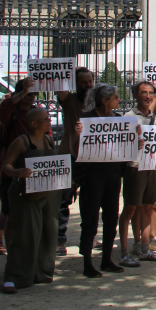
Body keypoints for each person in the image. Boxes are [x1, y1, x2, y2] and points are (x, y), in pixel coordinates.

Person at [0, 107, 61, 294]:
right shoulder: (21, 142)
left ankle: (42, 271)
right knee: (25, 234)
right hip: (25, 194)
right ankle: (14, 276)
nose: (49, 120)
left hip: (48, 193)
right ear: (33, 123)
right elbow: (6, 165)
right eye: (45, 119)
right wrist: (18, 172)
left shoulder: (49, 140)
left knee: (48, 233)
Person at [74, 84, 128, 277]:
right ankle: (87, 262)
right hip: (92, 176)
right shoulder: (87, 119)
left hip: (113, 175)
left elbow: (125, 146)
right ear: (105, 100)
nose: (118, 100)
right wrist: (79, 134)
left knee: (111, 217)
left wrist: (135, 139)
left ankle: (107, 259)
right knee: (90, 219)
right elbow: (77, 147)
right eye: (115, 97)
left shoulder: (120, 120)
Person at [119, 80, 156, 266]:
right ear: (135, 95)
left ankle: (145, 248)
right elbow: (120, 147)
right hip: (135, 168)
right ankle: (124, 252)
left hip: (152, 167)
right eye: (143, 93)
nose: (147, 96)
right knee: (130, 209)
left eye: (150, 93)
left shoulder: (155, 118)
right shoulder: (128, 117)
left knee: (149, 207)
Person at [0, 78, 39, 255]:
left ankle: (29, 253)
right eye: (27, 94)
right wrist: (22, 93)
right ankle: (12, 254)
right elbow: (1, 110)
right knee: (10, 213)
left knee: (33, 213)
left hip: (34, 171)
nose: (31, 97)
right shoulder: (10, 113)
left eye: (34, 94)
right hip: (11, 172)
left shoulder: (37, 113)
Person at [54, 67, 95, 256]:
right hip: (69, 156)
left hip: (90, 158)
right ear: (75, 84)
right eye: (83, 82)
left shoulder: (97, 103)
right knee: (63, 200)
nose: (88, 86)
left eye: (90, 81)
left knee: (89, 200)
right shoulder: (70, 100)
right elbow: (59, 88)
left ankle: (88, 237)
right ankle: (59, 240)